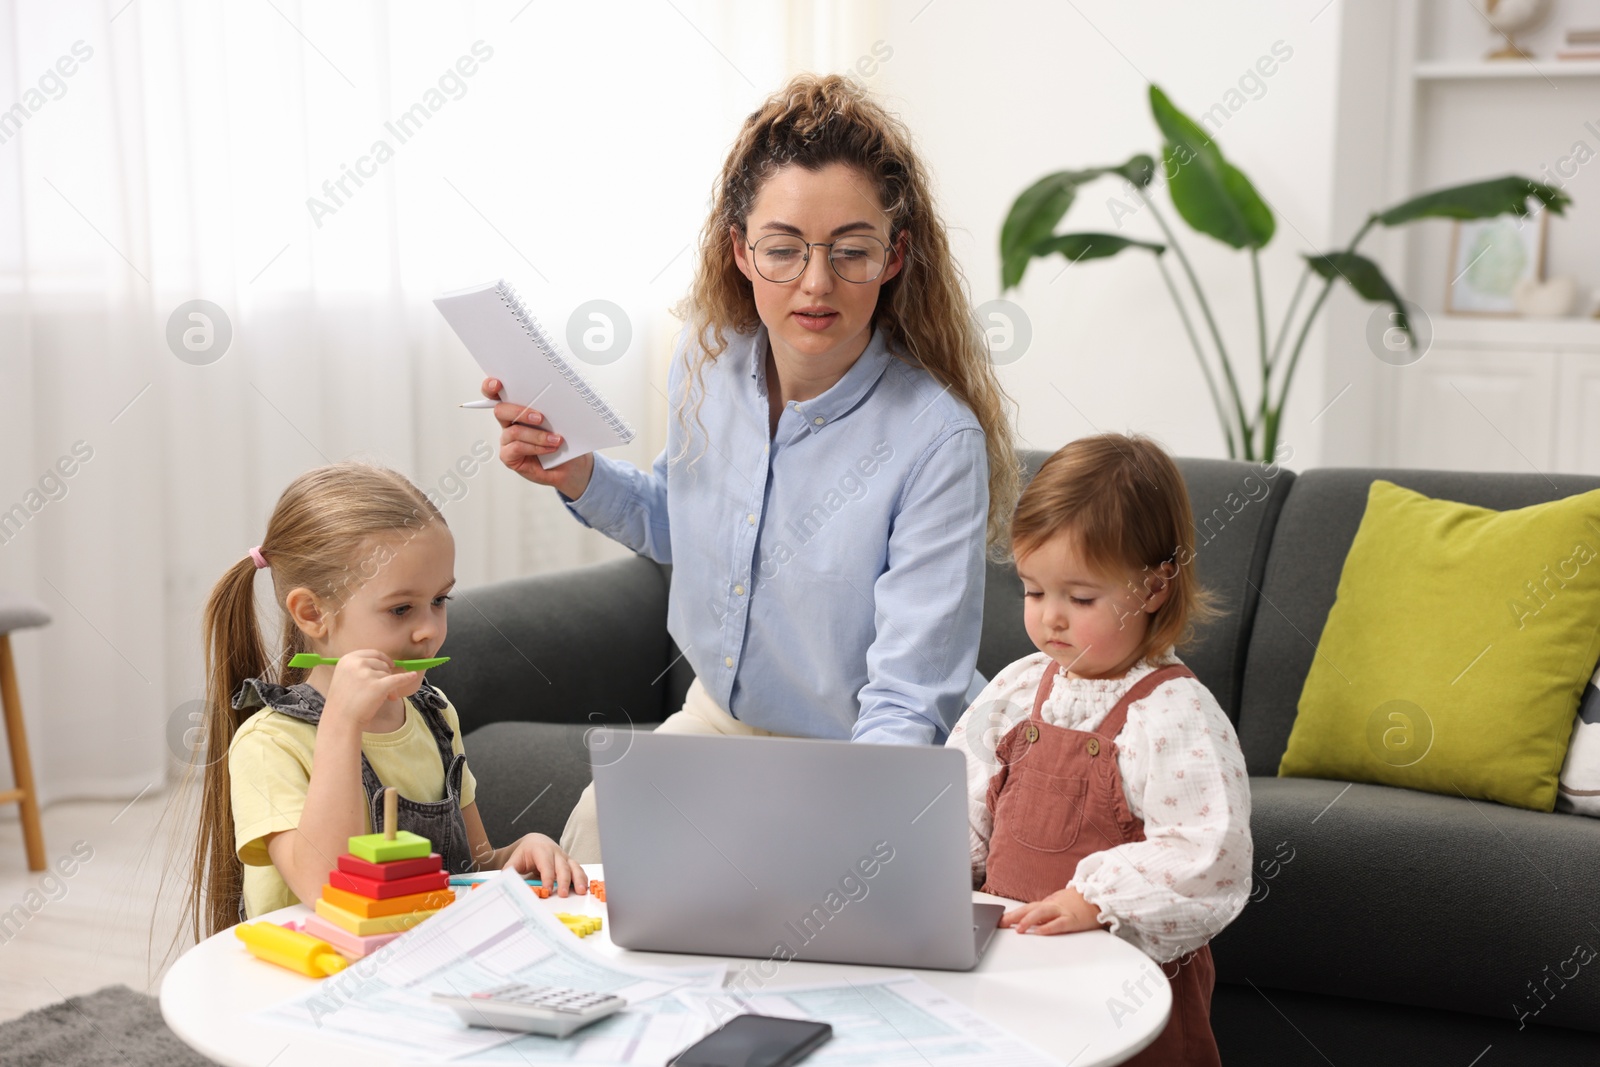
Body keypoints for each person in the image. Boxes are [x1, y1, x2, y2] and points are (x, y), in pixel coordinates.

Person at [483, 73, 1020, 863]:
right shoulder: (706, 364)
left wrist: (851, 830)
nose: (815, 282)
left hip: (868, 748)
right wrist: (577, 472)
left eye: (851, 251)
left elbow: (909, 697)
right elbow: (685, 525)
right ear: (740, 250)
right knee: (603, 848)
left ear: (894, 256)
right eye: (783, 248)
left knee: (813, 904)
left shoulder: (938, 440)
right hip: (723, 723)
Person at [948, 433, 1251, 1067]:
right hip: (1017, 969)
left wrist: (1097, 900)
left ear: (1154, 589)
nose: (1050, 618)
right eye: (1033, 591)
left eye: (1080, 598)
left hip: (1126, 993)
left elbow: (1208, 855)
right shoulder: (1017, 688)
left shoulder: (1174, 715)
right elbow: (962, 800)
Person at [182, 462, 585, 940]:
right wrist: (342, 724)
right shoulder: (269, 744)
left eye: (440, 601)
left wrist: (517, 855)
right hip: (316, 990)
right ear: (312, 613)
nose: (430, 630)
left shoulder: (434, 717)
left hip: (426, 967)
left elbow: (472, 866)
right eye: (401, 609)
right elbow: (328, 890)